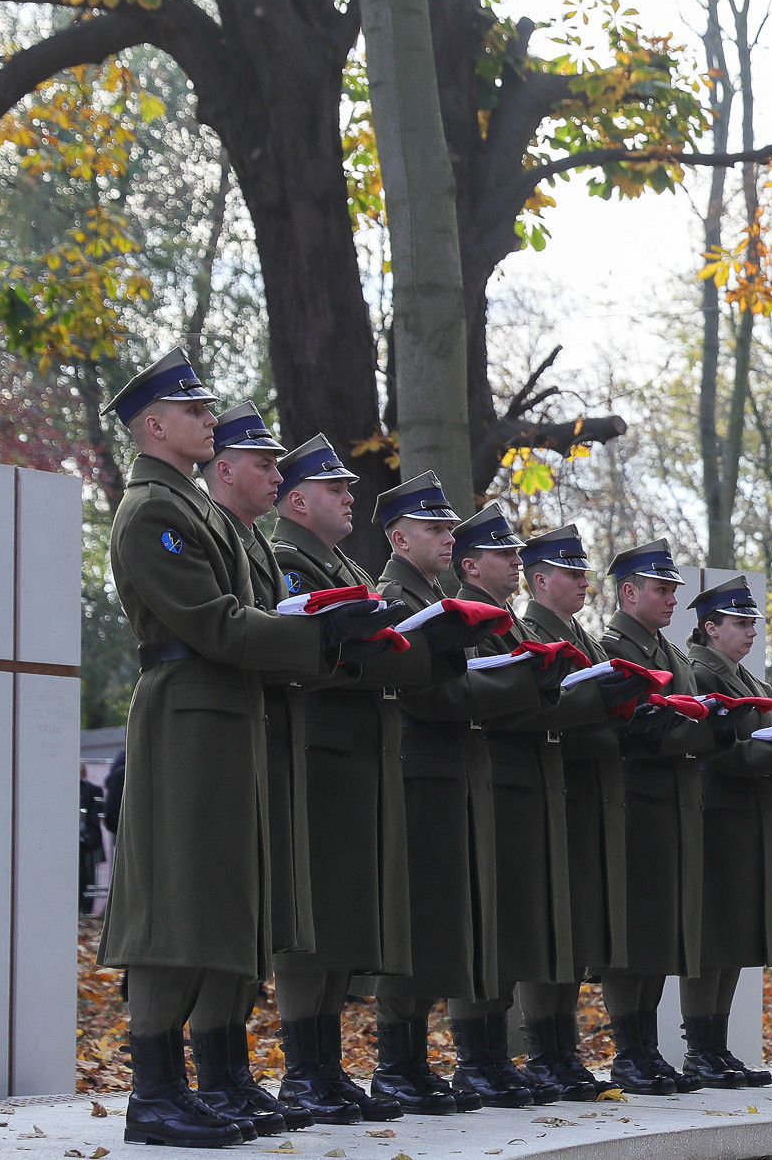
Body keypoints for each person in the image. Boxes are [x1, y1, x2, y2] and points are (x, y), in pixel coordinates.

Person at [97, 349, 394, 1148]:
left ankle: (209, 1079)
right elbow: (215, 624)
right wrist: (321, 633)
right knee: (179, 904)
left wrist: (331, 637)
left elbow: (242, 624)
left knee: (224, 901)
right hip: (189, 714)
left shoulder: (190, 511)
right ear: (153, 425)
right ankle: (154, 1092)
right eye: (194, 412)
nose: (208, 419)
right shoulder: (152, 513)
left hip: (228, 711)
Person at [271, 435, 471, 1121]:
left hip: (356, 752)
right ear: (298, 500)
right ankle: (303, 1071)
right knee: (316, 916)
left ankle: (325, 1068)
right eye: (335, 488)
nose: (348, 497)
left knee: (344, 913)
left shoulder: (343, 567)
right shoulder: (288, 562)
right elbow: (310, 653)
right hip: (320, 750)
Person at [364, 472, 540, 1114]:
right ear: (398, 537)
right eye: (433, 528)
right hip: (417, 770)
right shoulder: (396, 597)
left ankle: (437, 1061)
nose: (446, 537)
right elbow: (426, 693)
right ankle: (397, 1063)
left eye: (448, 528)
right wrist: (522, 683)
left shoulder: (432, 597)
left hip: (451, 768)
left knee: (447, 918)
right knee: (415, 918)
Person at [191, 403, 328, 1137]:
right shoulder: (178, 518)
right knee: (220, 907)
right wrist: (320, 637)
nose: (278, 475)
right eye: (265, 463)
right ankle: (208, 1076)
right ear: (224, 469)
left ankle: (233, 1074)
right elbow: (216, 624)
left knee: (252, 911)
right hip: (211, 727)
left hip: (259, 726)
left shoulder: (248, 541)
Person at [452, 504, 595, 1107]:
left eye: (517, 554)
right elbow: (476, 698)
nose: (515, 562)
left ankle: (537, 1053)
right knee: (490, 921)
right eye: (504, 555)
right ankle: (478, 1059)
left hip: (529, 781)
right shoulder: (467, 617)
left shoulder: (515, 624)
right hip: (493, 779)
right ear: (470, 565)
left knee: (523, 919)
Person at [597, 539, 723, 1094]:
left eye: (674, 589)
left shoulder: (669, 652)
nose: (673, 598)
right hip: (635, 802)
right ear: (629, 593)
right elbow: (617, 727)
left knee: (660, 932)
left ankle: (646, 1049)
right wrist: (685, 731)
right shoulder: (612, 647)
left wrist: (712, 728)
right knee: (634, 931)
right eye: (661, 589)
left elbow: (691, 724)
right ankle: (629, 1051)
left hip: (674, 803)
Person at [512, 524, 629, 1100]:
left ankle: (562, 1049)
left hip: (585, 792)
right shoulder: (531, 633)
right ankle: (543, 1051)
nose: (584, 582)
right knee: (549, 924)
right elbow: (537, 709)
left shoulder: (587, 639)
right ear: (539, 581)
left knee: (576, 922)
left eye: (584, 573)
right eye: (571, 573)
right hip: (552, 788)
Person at [680, 576, 772, 1088]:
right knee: (712, 936)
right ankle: (699, 1049)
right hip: (715, 815)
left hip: (750, 815)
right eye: (740, 622)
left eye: (754, 622)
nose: (752, 631)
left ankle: (717, 1045)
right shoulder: (699, 672)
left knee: (734, 935)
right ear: (710, 628)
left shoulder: (752, 682)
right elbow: (717, 752)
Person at [79, 773, 106, 916]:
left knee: (85, 877)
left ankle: (83, 912)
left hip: (86, 842)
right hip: (87, 841)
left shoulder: (90, 790)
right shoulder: (92, 790)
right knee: (86, 877)